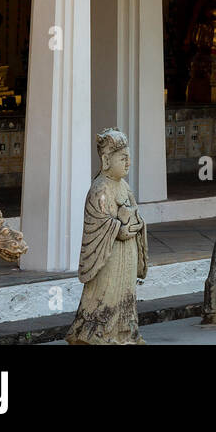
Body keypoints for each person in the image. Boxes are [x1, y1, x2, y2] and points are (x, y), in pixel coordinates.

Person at [66, 129, 148, 344]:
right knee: (106, 293)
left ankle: (125, 334)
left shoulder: (124, 186)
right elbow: (98, 223)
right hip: (108, 255)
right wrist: (118, 229)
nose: (128, 162)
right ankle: (97, 334)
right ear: (106, 160)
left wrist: (137, 223)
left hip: (127, 252)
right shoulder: (100, 188)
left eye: (128, 157)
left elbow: (135, 212)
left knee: (126, 294)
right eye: (123, 158)